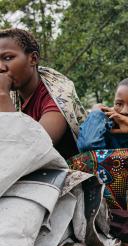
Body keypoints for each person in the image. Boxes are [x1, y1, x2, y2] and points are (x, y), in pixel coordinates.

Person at [0, 28, 86, 160]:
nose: (1, 67)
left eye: (7, 58)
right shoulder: (14, 98)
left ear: (33, 58)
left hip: (65, 176)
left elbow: (32, 149)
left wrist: (2, 94)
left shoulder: (57, 97)